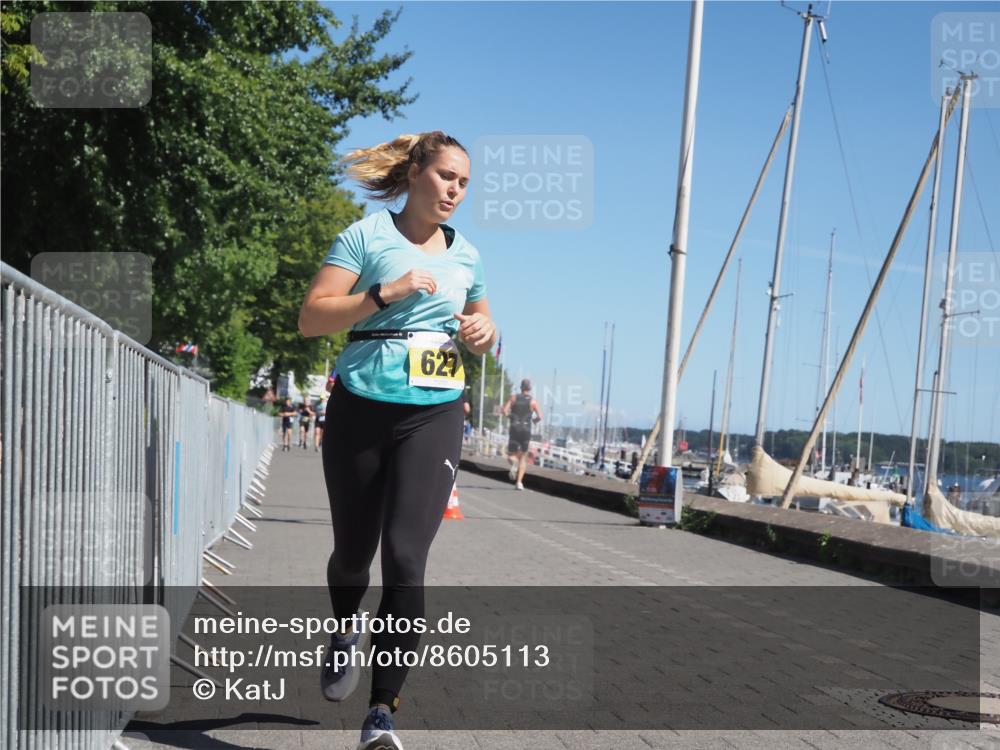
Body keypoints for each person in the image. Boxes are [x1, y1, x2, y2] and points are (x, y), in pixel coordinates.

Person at [298, 131, 495, 750]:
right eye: (446, 177)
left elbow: (485, 326)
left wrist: (484, 332)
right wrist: (388, 291)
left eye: (464, 183)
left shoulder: (469, 255)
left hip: (434, 413)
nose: (455, 191)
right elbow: (311, 318)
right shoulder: (366, 237)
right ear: (415, 173)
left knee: (407, 559)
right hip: (361, 407)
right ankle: (343, 628)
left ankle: (382, 712)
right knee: (354, 554)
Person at [501, 378, 543, 490]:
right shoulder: (533, 401)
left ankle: (514, 463)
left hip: (514, 428)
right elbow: (540, 416)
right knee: (523, 457)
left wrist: (510, 416)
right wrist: (534, 421)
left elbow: (504, 410)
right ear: (529, 389)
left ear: (521, 387)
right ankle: (519, 482)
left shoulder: (513, 398)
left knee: (511, 455)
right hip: (526, 429)